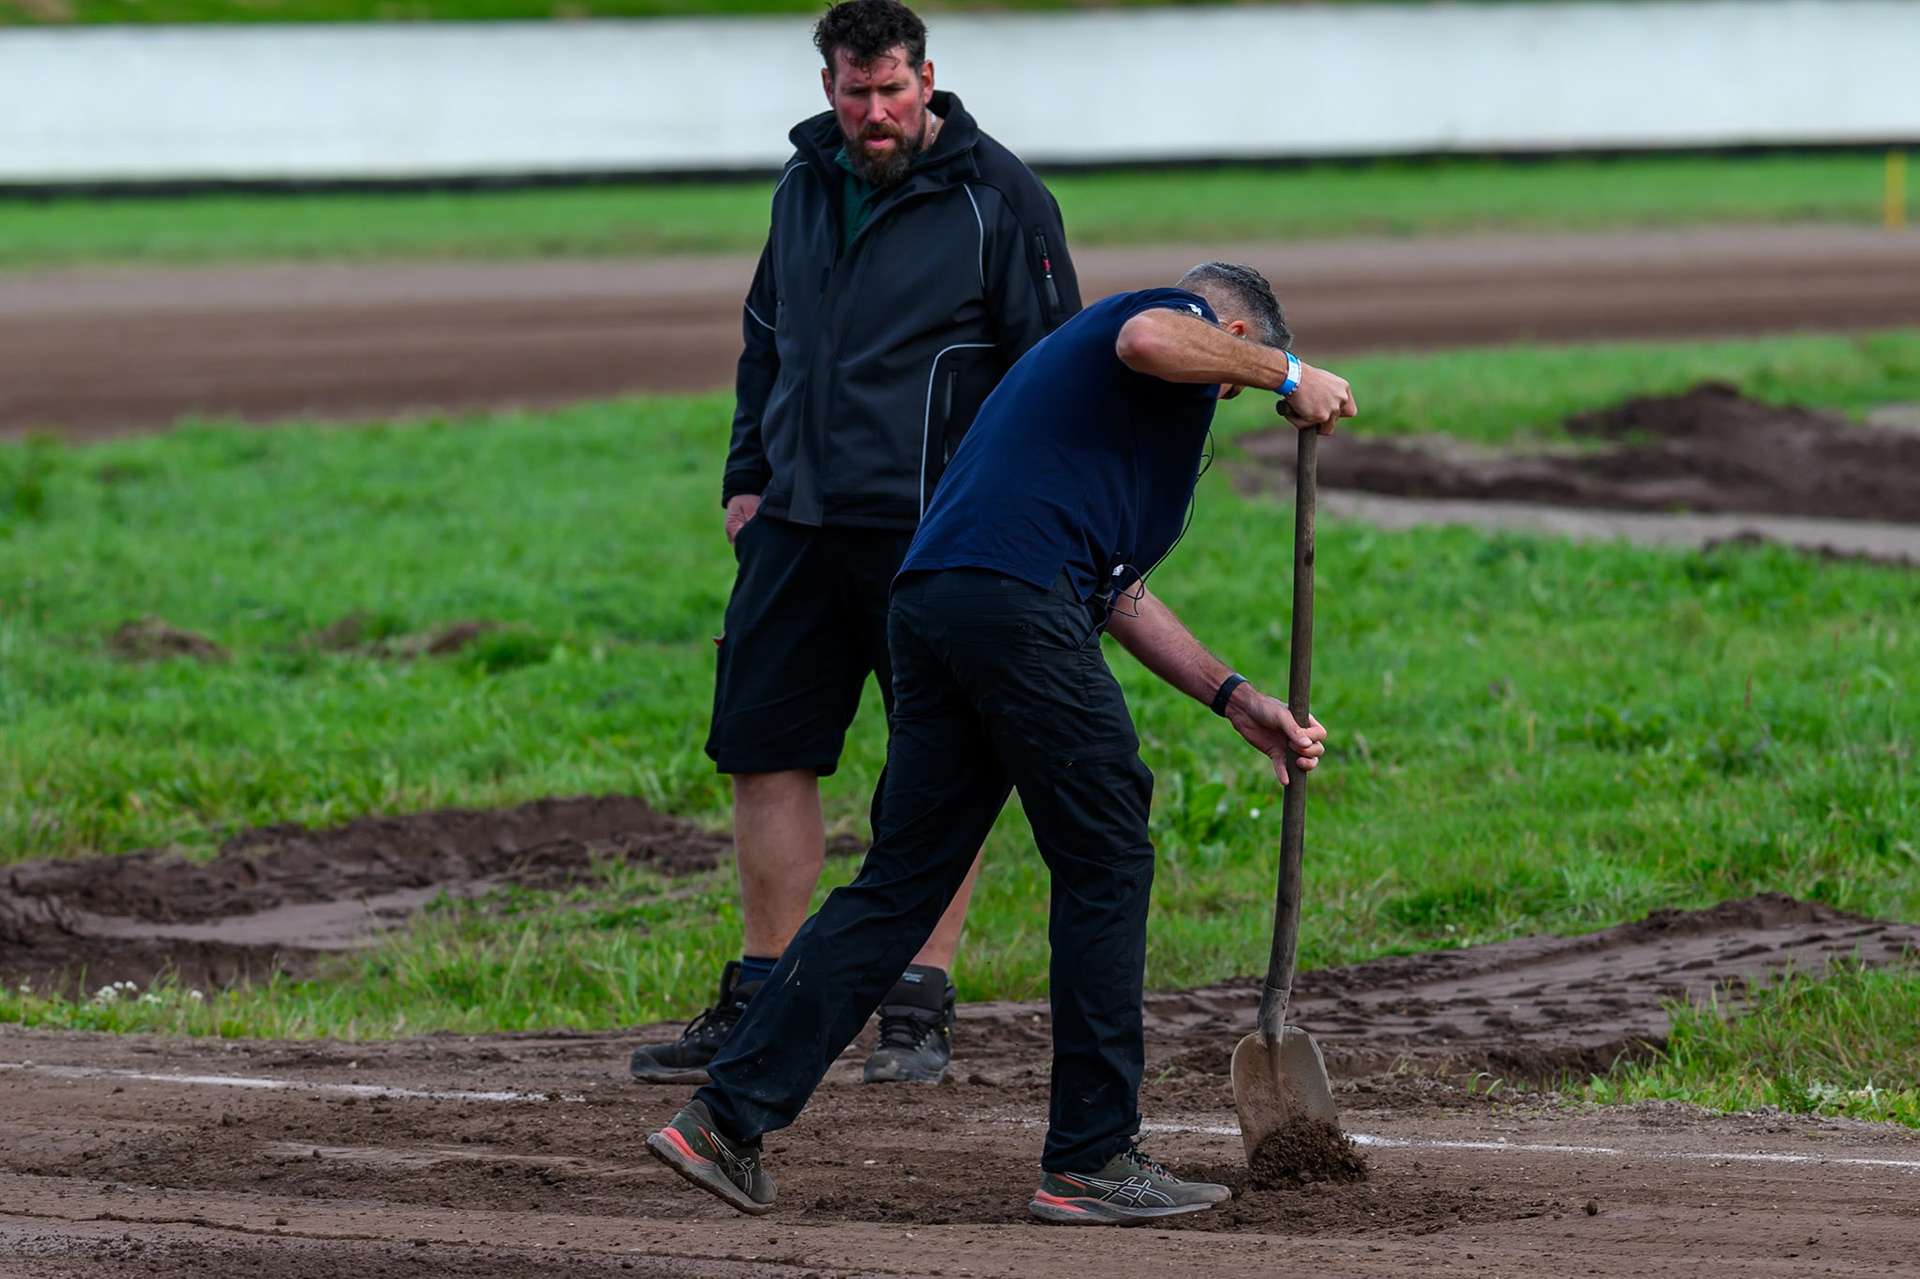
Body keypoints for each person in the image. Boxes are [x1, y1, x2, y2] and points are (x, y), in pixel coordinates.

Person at [644, 262, 1355, 1224]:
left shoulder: (1096, 427)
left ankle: (723, 1119)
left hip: (943, 600)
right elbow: (1152, 339)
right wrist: (1286, 372)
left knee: (903, 880)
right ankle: (1092, 1157)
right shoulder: (1165, 324)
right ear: (1230, 332)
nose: (1220, 396)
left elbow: (1116, 592)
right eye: (1227, 378)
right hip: (1007, 603)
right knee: (1107, 849)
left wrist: (1231, 695)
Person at [626, 0, 1080, 1090]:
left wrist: (1040, 524)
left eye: (890, 90)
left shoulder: (999, 198)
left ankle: (917, 1007)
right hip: (795, 525)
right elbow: (766, 337)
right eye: (851, 90)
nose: (871, 112)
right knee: (761, 749)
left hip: (937, 535)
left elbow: (1056, 375)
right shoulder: (802, 181)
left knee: (940, 769)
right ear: (827, 82)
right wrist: (747, 477)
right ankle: (762, 994)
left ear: (928, 78)